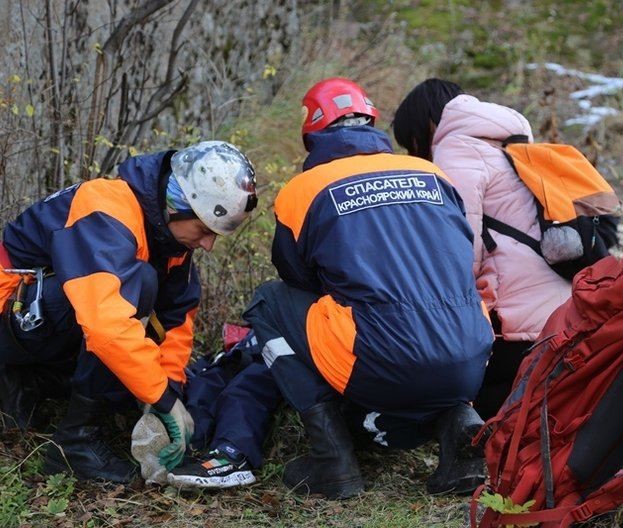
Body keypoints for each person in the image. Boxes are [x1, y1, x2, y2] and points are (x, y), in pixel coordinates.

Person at [243, 77, 494, 499]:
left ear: (312, 134)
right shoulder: (433, 174)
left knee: (269, 302)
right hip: (471, 358)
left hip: (378, 363)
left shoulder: (304, 190)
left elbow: (297, 279)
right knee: (436, 319)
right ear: (373, 122)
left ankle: (332, 460)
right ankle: (458, 424)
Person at [0, 140, 258, 483]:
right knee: (136, 286)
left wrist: (169, 387)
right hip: (10, 317)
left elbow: (177, 318)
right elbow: (105, 325)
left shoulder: (169, 236)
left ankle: (33, 384)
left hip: (39, 328)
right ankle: (75, 443)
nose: (208, 244)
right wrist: (163, 400)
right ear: (178, 205)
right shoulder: (107, 208)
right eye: (205, 230)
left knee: (140, 324)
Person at [392, 79, 572, 420]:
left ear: (424, 128)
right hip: (561, 310)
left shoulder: (456, 152)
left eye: (411, 143)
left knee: (478, 410)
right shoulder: (508, 142)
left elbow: (459, 250)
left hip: (516, 325)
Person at [165, 327, 282, 488]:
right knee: (204, 384)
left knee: (244, 390)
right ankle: (188, 446)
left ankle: (233, 455)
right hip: (246, 347)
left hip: (278, 353)